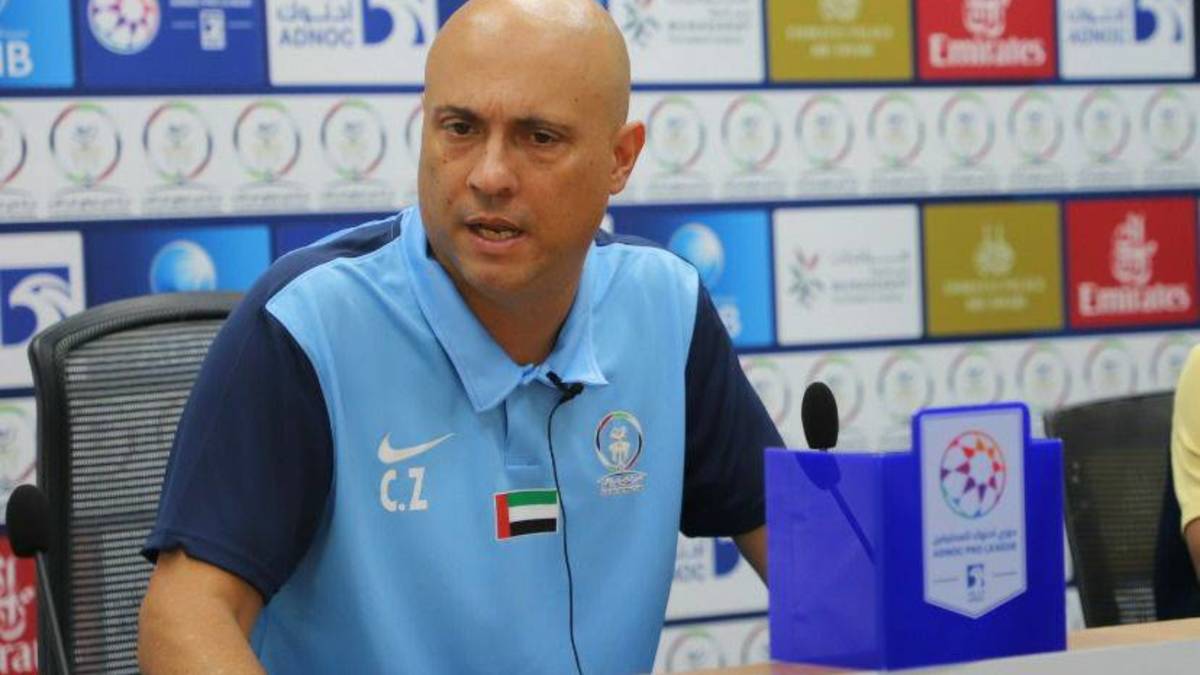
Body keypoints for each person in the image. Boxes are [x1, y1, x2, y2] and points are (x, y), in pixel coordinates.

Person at [137, 0, 780, 672]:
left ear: (620, 159)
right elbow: (183, 619)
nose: (489, 175)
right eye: (461, 128)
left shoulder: (666, 306)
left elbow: (812, 571)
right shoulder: (308, 323)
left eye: (539, 137)